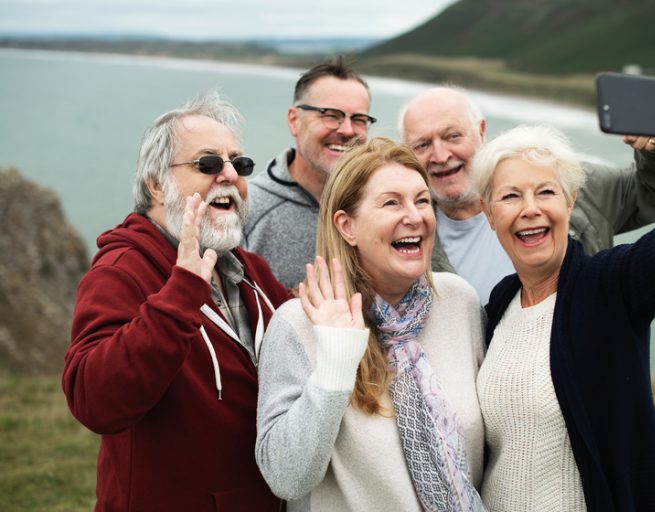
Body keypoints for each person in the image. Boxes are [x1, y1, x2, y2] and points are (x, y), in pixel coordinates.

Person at [473, 71, 655, 511]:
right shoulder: (498, 306)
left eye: (546, 191)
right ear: (488, 213)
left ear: (570, 200)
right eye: (510, 196)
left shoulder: (609, 287)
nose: (530, 209)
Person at [63, 91, 292, 511]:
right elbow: (93, 400)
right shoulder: (120, 271)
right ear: (155, 183)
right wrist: (180, 294)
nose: (228, 175)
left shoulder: (250, 271)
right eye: (207, 163)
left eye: (239, 164)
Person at [255, 137, 486, 511]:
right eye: (391, 202)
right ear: (347, 226)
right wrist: (336, 360)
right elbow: (285, 477)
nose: (414, 216)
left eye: (422, 200)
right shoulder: (297, 324)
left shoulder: (459, 302)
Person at [399, 86, 655, 303]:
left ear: (481, 131)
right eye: (422, 145)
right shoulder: (406, 236)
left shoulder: (569, 182)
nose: (440, 155)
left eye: (453, 136)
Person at [243, 57, 376, 290]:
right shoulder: (248, 209)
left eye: (359, 119)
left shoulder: (381, 202)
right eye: (331, 115)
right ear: (294, 121)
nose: (346, 130)